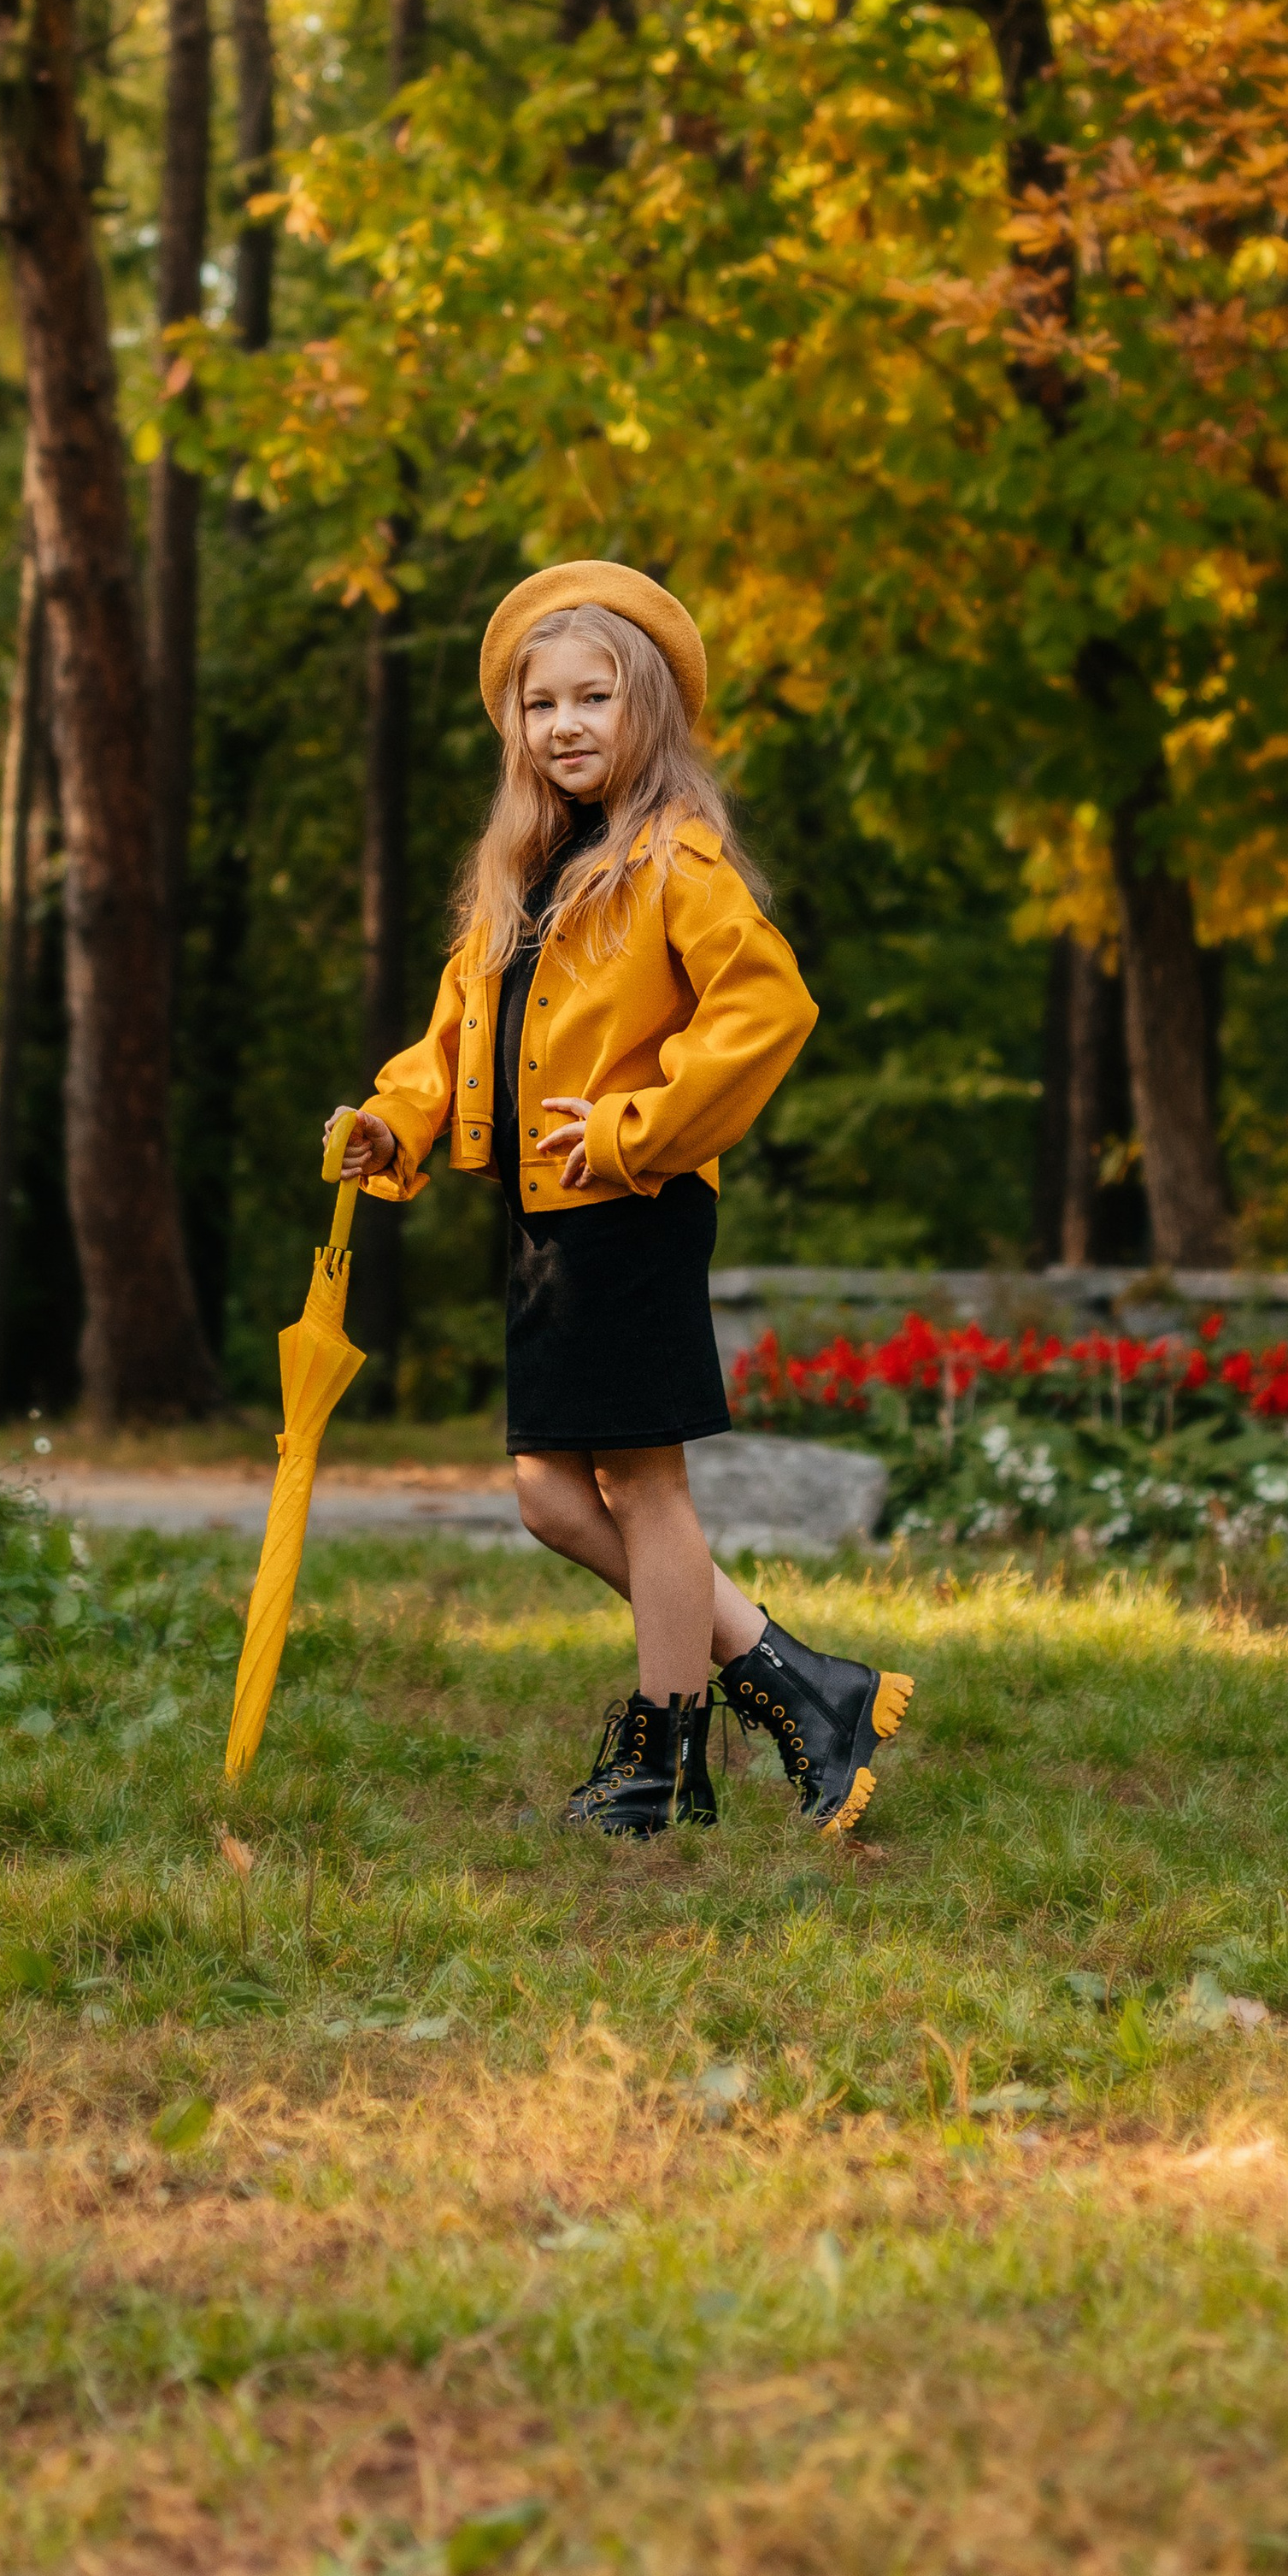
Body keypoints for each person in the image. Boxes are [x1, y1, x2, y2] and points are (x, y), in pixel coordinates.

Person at [330, 561, 914, 1838]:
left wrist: (642, 1122)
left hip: (630, 1205)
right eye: (544, 705)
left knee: (645, 1489)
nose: (568, 724)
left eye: (596, 697)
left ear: (645, 712)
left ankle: (663, 1759)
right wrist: (395, 1121)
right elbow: (455, 1040)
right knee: (548, 1493)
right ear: (517, 729)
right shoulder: (524, 873)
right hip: (546, 1221)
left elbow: (770, 1007)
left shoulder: (670, 859)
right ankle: (798, 1681)